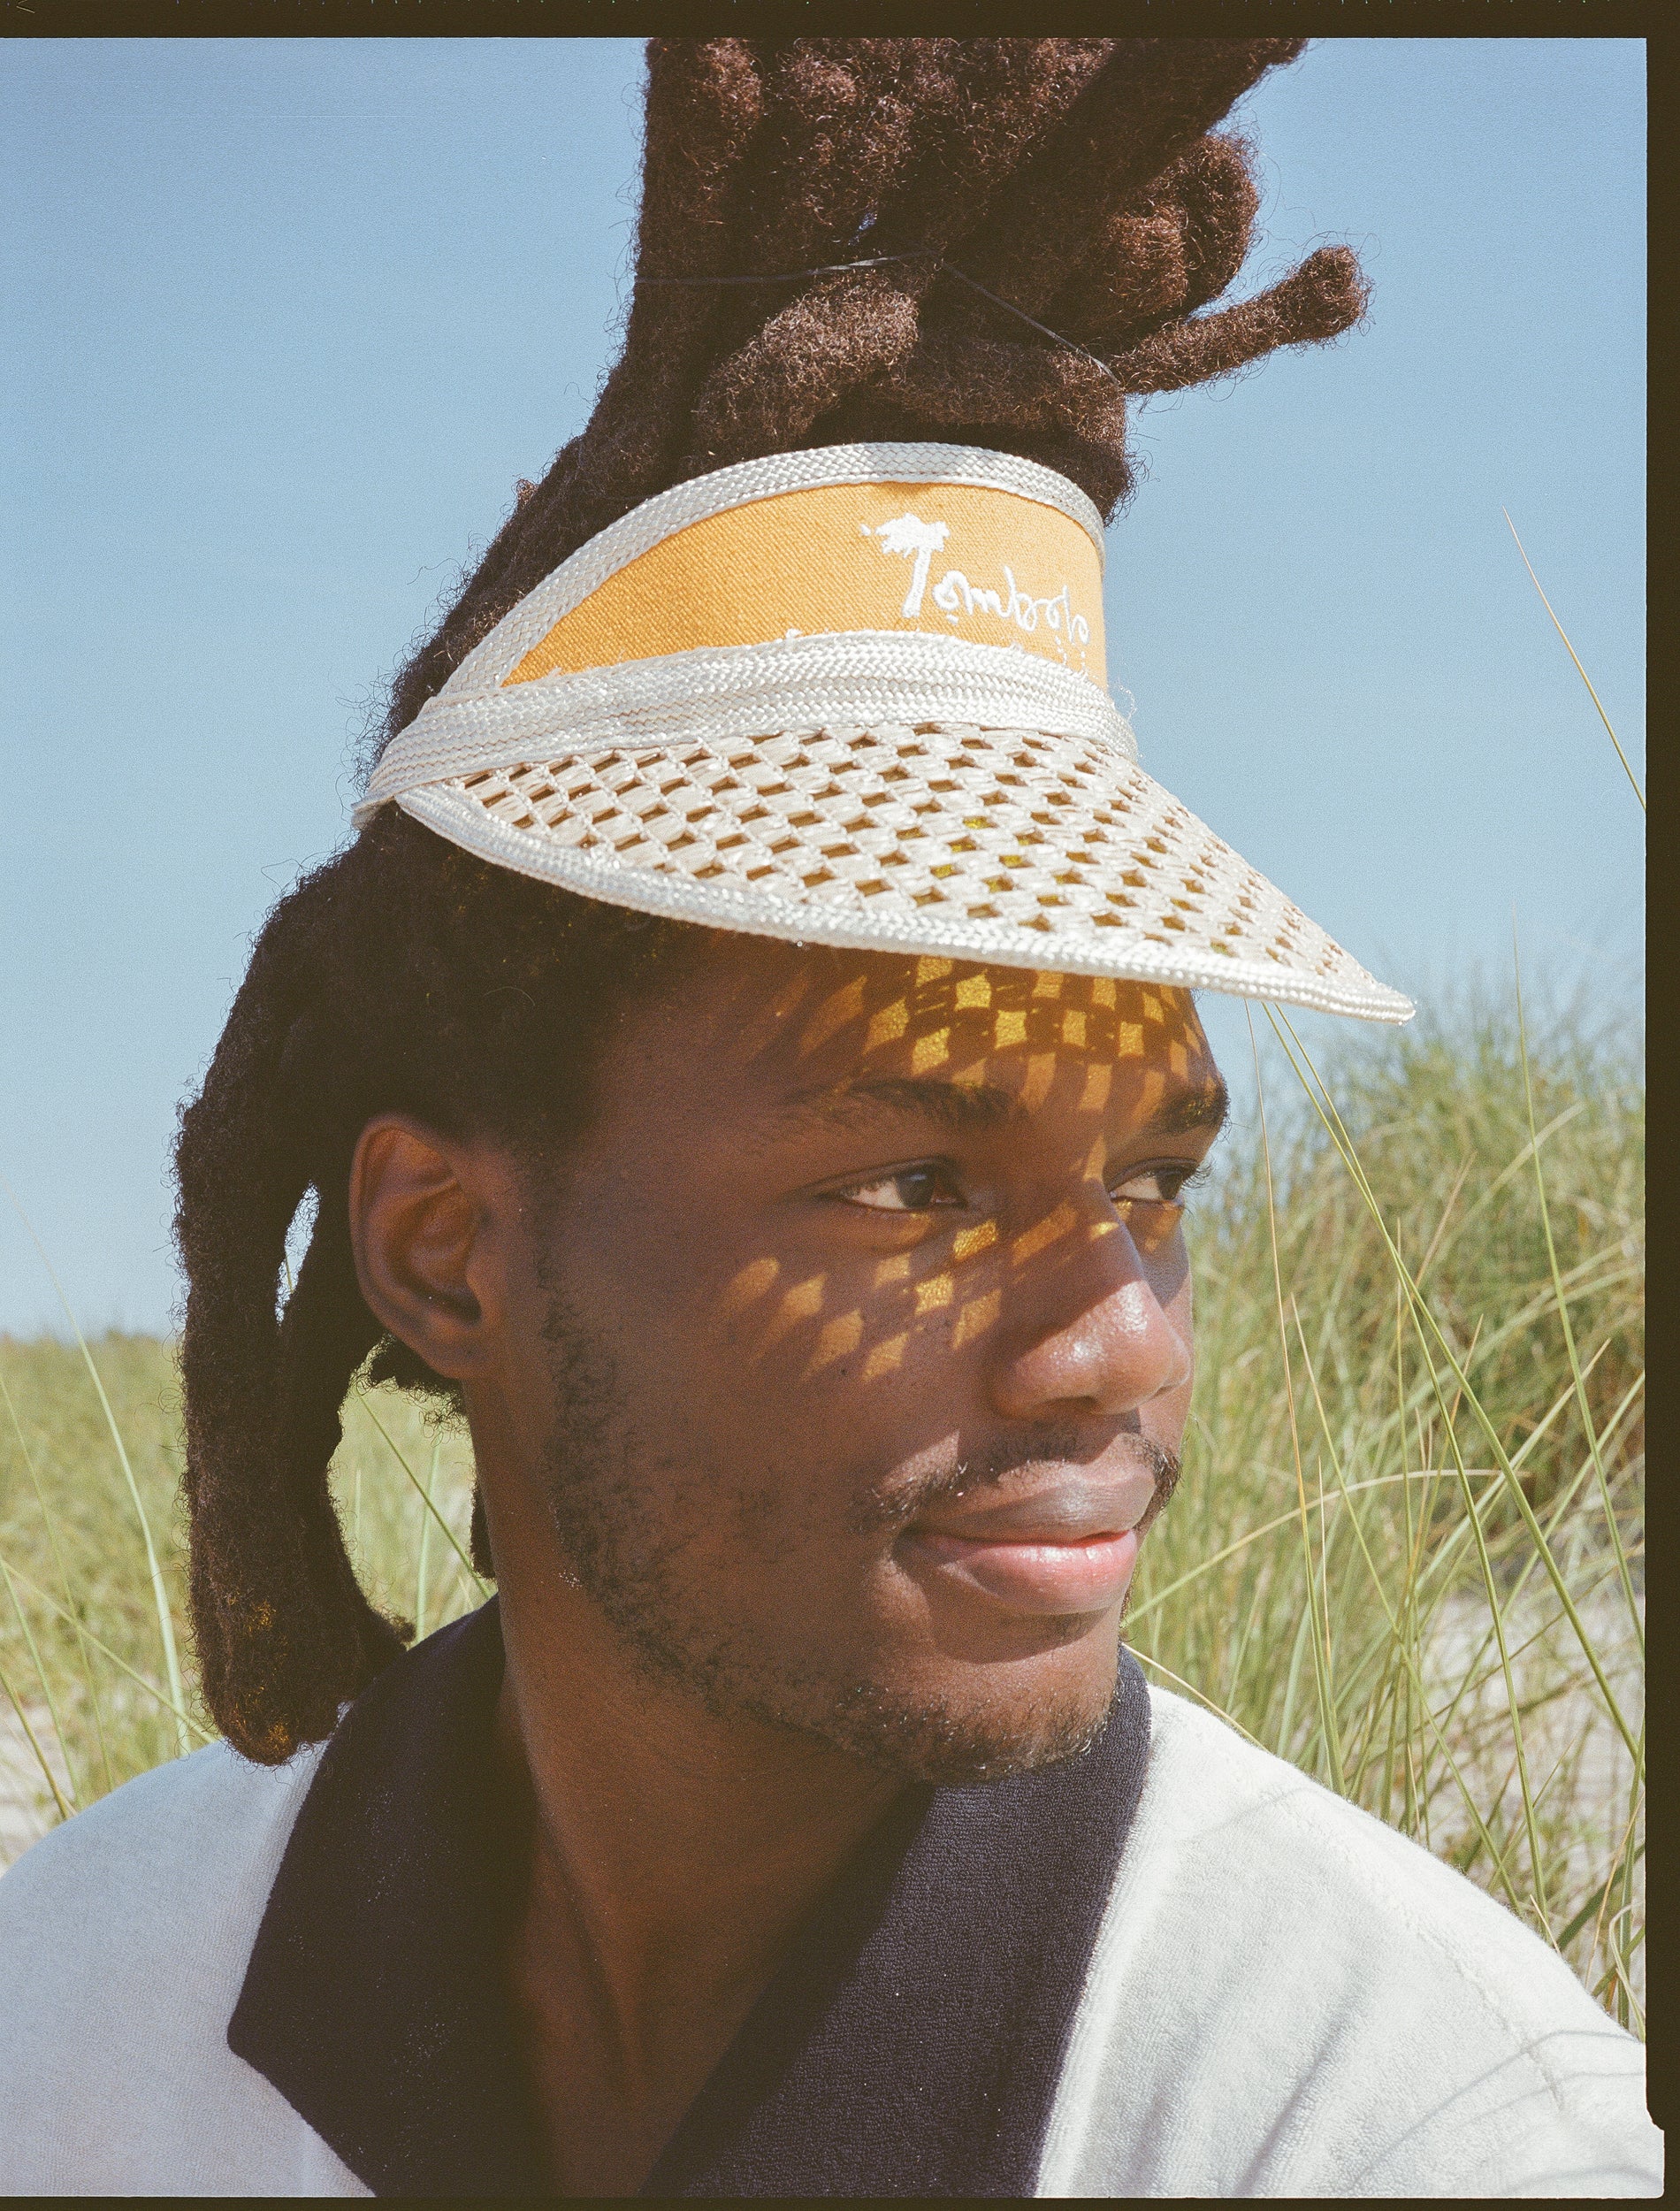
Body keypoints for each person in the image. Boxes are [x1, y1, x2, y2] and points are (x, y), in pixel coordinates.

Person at [0, 35, 1658, 2200]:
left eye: (1154, 1183)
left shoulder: (1383, 2118)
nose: (1121, 1340)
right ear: (445, 1249)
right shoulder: (80, 2009)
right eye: (913, 1180)